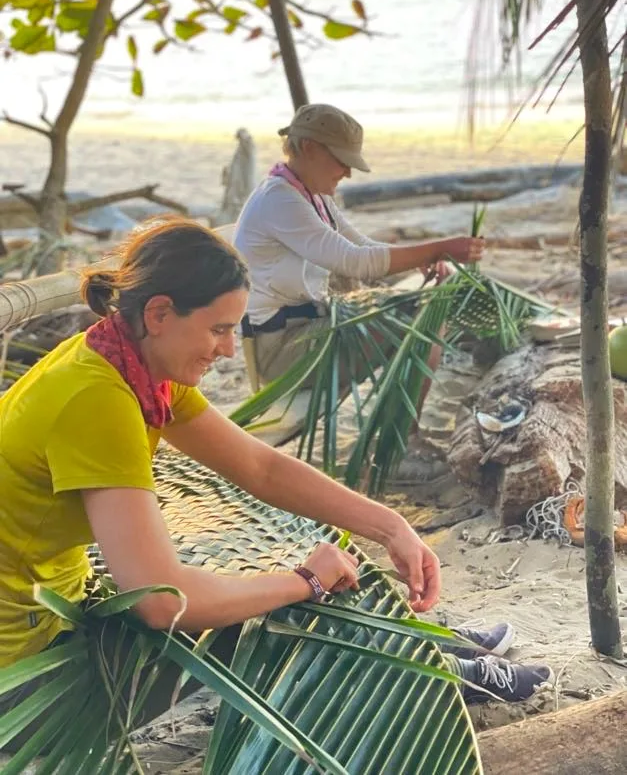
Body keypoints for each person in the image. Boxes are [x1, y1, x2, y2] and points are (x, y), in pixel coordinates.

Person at [0, 219, 551, 751]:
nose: (228, 351)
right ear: (160, 313)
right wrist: (305, 581)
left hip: (57, 606)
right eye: (218, 330)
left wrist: (390, 526)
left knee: (271, 586)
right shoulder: (98, 400)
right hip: (26, 682)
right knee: (279, 613)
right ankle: (439, 669)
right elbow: (162, 602)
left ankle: (427, 646)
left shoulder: (130, 359)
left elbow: (259, 467)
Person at [233, 102, 485, 394]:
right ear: (309, 148)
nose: (348, 173)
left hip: (307, 329)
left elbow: (360, 244)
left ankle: (403, 430)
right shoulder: (280, 200)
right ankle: (401, 433)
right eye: (342, 160)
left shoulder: (310, 193)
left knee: (424, 306)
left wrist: (420, 258)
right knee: (418, 316)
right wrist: (437, 249)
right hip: (281, 352)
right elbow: (355, 262)